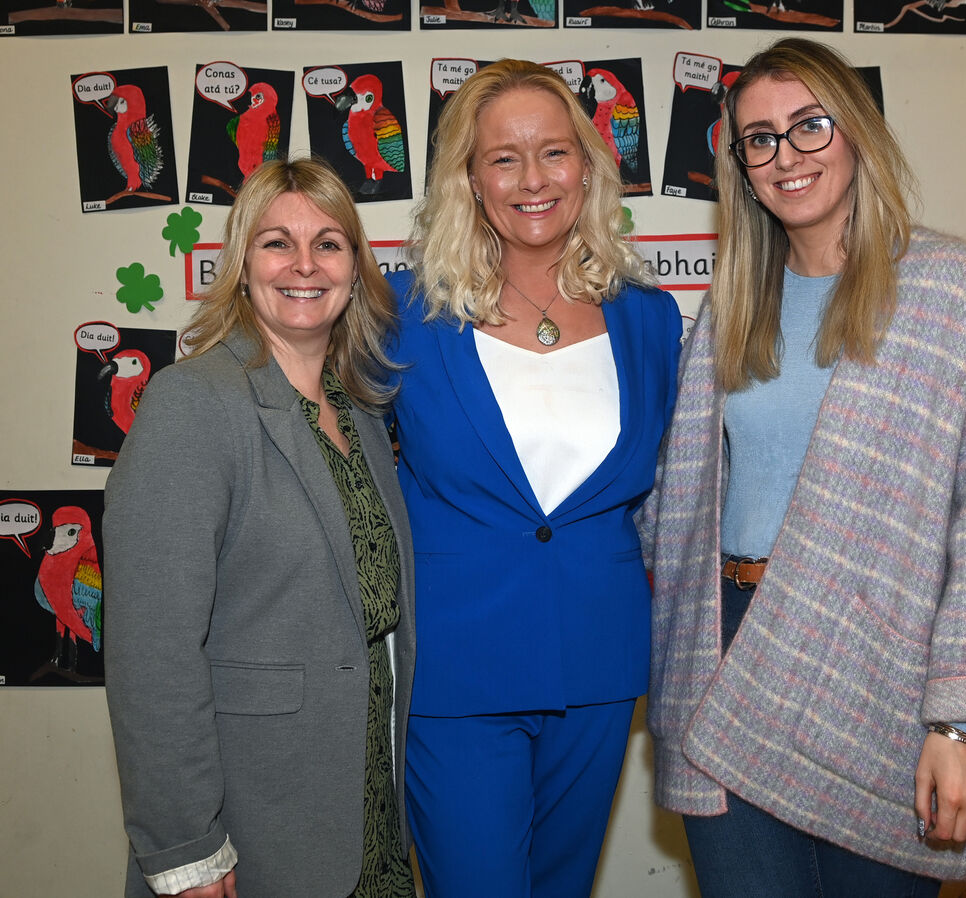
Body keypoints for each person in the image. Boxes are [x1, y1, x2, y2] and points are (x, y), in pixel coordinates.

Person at [642, 38, 966, 895]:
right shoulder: (732, 304)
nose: (786, 155)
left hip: (884, 669)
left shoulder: (954, 289)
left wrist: (963, 724)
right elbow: (677, 502)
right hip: (730, 649)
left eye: (810, 125)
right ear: (741, 168)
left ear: (857, 133)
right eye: (759, 139)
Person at [386, 59, 681, 898]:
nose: (532, 179)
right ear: (470, 180)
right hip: (456, 669)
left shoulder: (649, 317)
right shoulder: (400, 313)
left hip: (597, 665)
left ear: (587, 165)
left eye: (553, 152)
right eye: (503, 158)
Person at [104, 157, 416, 898]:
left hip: (369, 809)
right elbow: (152, 651)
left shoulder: (362, 413)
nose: (304, 265)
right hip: (254, 821)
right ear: (243, 267)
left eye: (328, 243)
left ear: (354, 270)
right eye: (277, 243)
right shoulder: (193, 402)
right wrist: (187, 848)